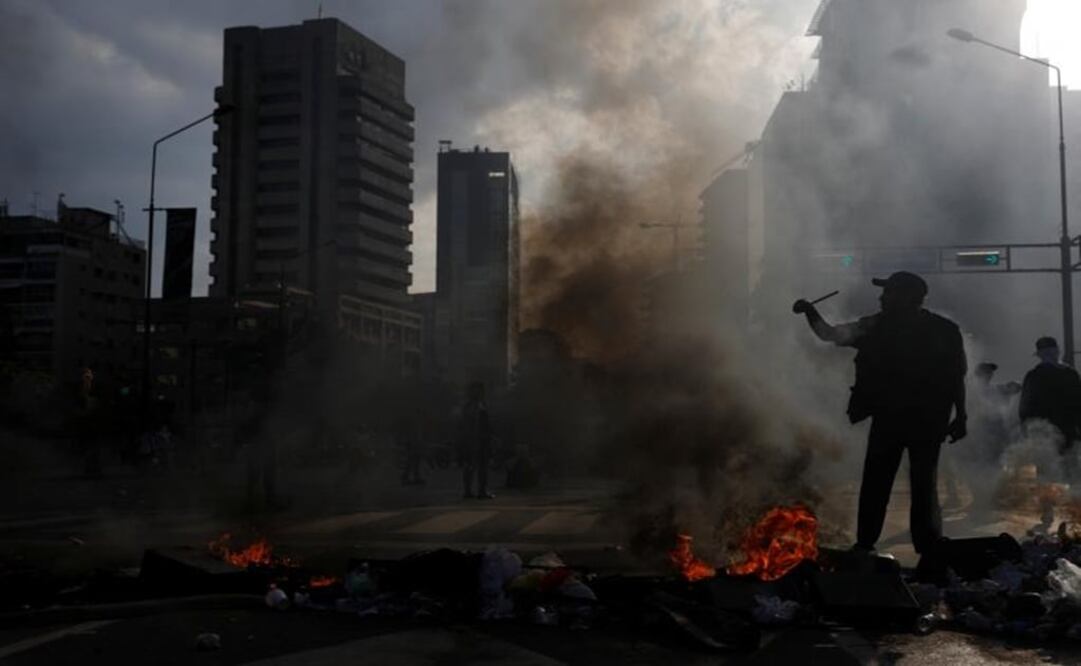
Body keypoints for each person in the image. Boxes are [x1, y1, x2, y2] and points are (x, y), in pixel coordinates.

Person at [793, 271, 967, 554]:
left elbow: (830, 334)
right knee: (921, 484)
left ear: (907, 297)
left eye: (888, 293)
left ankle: (870, 544)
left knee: (881, 482)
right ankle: (925, 546)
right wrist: (961, 417)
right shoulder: (941, 329)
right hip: (923, 420)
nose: (882, 297)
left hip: (895, 418)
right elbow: (956, 378)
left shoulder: (879, 327)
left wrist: (809, 311)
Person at [1019, 336, 1081, 482]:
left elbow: (1025, 408)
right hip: (1068, 431)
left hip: (1043, 433)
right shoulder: (1070, 374)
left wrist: (1026, 430)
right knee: (1068, 471)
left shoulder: (1034, 375)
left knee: (1046, 473)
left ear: (1040, 355)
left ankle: (1050, 500)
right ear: (1057, 352)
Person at [458, 381, 494, 500]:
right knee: (478, 466)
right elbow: (476, 425)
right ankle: (480, 491)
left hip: (473, 440)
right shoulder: (477, 406)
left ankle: (472, 491)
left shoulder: (471, 405)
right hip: (476, 440)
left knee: (472, 466)